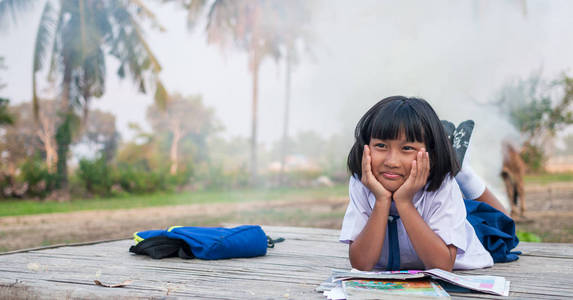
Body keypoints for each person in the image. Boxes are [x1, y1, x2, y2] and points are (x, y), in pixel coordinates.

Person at [339, 96, 495, 272]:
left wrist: (404, 202)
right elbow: (361, 264)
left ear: (431, 154)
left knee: (495, 225)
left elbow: (442, 266)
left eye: (407, 148)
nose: (392, 162)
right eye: (381, 145)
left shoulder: (444, 186)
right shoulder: (362, 182)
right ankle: (454, 159)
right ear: (365, 147)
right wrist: (382, 201)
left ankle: (463, 171)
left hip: (465, 230)